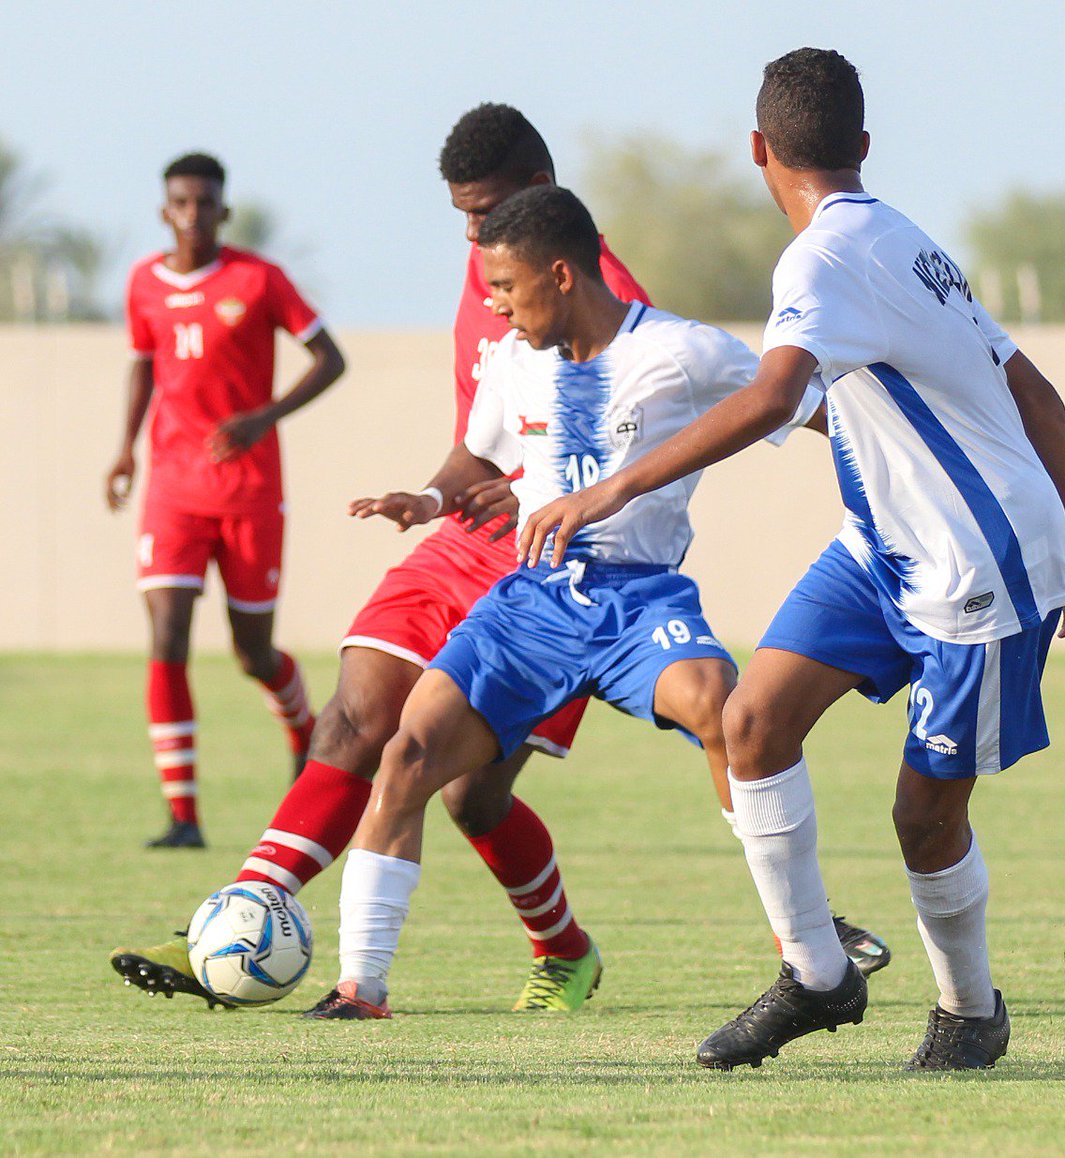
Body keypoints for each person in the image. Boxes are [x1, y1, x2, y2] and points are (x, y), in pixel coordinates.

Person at [109, 108, 886, 1014]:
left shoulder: (619, 308)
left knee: (482, 795)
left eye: (489, 221)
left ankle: (740, 936)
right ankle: (259, 916)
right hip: (485, 562)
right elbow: (480, 443)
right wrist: (434, 498)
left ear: (548, 228)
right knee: (365, 727)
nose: (477, 247)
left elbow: (749, 403)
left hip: (601, 575)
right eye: (463, 222)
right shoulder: (500, 287)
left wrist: (886, 478)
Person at [518, 48, 1065, 1071]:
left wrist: (610, 487)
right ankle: (817, 975)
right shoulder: (903, 239)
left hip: (976, 563)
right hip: (883, 545)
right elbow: (1037, 395)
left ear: (757, 150)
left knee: (923, 816)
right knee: (752, 725)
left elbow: (770, 393)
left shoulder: (826, 260)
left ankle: (970, 1012)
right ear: (862, 145)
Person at [303, 183, 824, 1019]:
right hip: (531, 605)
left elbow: (810, 408)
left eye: (505, 288)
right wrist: (429, 502)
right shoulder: (514, 363)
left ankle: (803, 940)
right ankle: (360, 987)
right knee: (407, 760)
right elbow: (475, 460)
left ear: (560, 275)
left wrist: (892, 472)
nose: (496, 309)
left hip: (638, 598)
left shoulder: (685, 352)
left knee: (722, 715)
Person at [105, 152, 345, 849]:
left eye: (205, 202)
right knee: (167, 637)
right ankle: (183, 816)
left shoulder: (258, 279)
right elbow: (143, 366)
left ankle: (304, 735)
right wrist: (125, 449)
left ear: (222, 210)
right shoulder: (143, 283)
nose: (192, 214)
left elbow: (330, 358)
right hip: (173, 491)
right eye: (181, 202)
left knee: (252, 651)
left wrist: (264, 416)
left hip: (248, 491)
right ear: (164, 210)